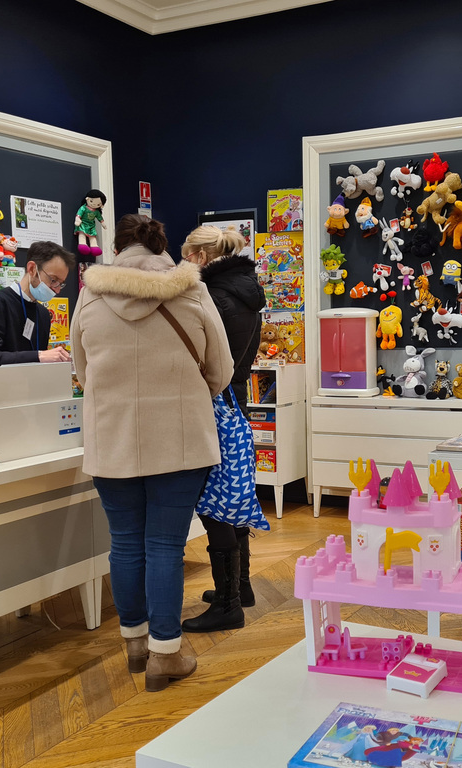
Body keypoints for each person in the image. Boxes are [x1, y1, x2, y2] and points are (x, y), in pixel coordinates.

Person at [71, 214, 232, 692]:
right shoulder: (193, 291)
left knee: (125, 542)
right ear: (164, 248)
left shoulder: (90, 295)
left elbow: (82, 371)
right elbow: (220, 370)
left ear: (117, 248)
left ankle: (135, 646)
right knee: (165, 543)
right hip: (181, 439)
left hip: (111, 436)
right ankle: (167, 653)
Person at [178, 225, 265, 633]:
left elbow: (204, 358)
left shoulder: (212, 295)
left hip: (212, 403)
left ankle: (228, 604)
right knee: (233, 498)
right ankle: (241, 586)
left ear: (199, 255)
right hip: (237, 400)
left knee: (214, 505)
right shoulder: (245, 290)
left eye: (186, 256)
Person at [0, 241, 75, 367]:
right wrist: (39, 356)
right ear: (32, 269)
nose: (57, 290)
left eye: (60, 283)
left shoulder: (43, 314)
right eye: (53, 280)